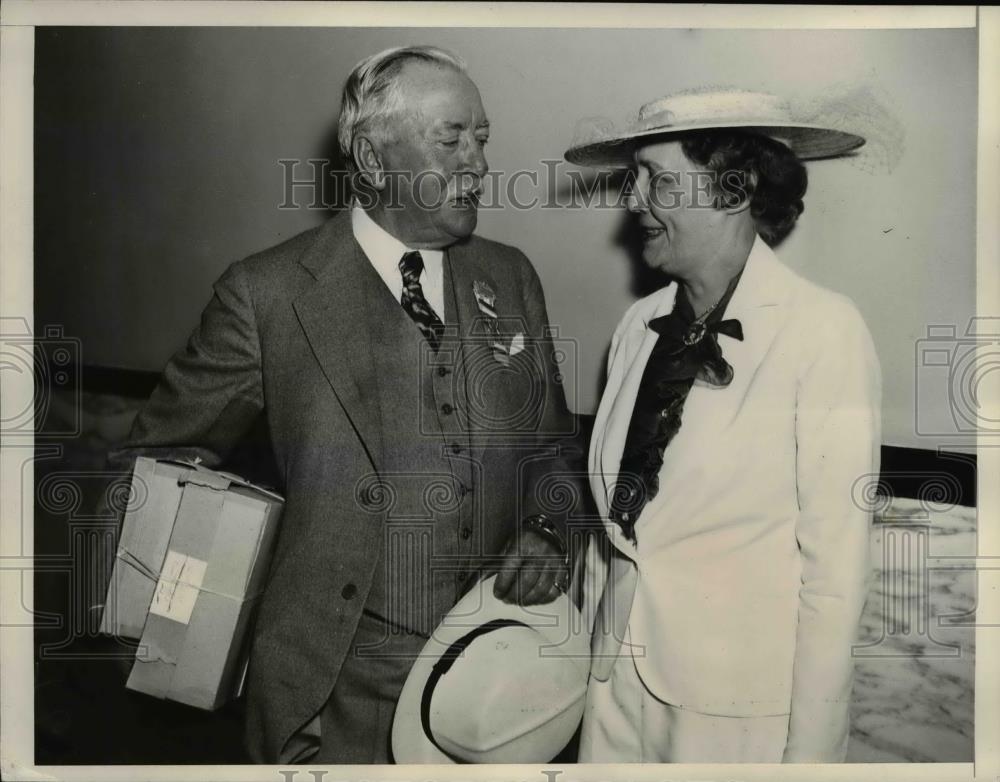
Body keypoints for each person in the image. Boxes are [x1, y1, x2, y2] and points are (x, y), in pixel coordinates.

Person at [101, 45, 579, 764]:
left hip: (490, 679)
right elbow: (156, 468)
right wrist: (189, 626)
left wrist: (548, 526)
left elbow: (555, 448)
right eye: (451, 138)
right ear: (372, 155)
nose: (478, 162)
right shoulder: (267, 295)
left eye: (481, 138)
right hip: (330, 693)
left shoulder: (510, 277)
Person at [565, 89, 882, 763]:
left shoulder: (823, 332)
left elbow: (836, 576)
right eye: (633, 178)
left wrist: (812, 762)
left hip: (738, 718)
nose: (632, 202)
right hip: (615, 688)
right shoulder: (636, 327)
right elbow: (622, 535)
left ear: (733, 191)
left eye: (658, 180)